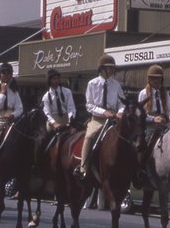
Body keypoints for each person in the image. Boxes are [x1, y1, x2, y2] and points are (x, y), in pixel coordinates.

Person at [77, 54, 125, 185]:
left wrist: (120, 112)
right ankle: (83, 168)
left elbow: (122, 103)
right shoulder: (92, 83)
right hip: (98, 119)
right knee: (89, 136)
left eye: (113, 68)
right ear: (102, 69)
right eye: (110, 68)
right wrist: (104, 112)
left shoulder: (116, 85)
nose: (112, 71)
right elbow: (89, 105)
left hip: (114, 119)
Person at [138, 64, 170, 188]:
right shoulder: (143, 93)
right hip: (150, 125)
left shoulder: (165, 92)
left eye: (159, 79)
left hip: (164, 123)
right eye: (154, 78)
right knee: (148, 145)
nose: (156, 81)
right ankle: (141, 169)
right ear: (149, 79)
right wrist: (153, 119)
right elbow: (140, 113)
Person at [40, 68, 76, 163]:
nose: (56, 81)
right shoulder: (46, 96)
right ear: (49, 80)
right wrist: (54, 123)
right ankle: (40, 160)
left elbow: (71, 107)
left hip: (66, 119)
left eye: (57, 78)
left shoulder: (67, 92)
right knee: (44, 140)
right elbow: (47, 113)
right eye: (53, 79)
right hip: (54, 120)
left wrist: (70, 119)